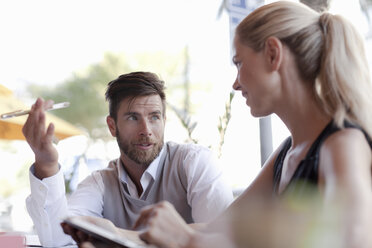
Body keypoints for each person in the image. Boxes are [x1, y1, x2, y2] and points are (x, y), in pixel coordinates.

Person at [73, 1, 372, 248]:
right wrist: (110, 233)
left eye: (239, 63)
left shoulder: (342, 144)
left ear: (272, 54)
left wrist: (187, 240)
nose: (236, 82)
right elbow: (218, 231)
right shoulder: (286, 153)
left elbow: (353, 238)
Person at [23, 71, 234, 247]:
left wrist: (116, 234)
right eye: (133, 117)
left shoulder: (194, 163)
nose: (146, 130)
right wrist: (46, 164)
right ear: (112, 126)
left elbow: (223, 236)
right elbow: (60, 240)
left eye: (154, 117)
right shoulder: (101, 183)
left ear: (164, 120)